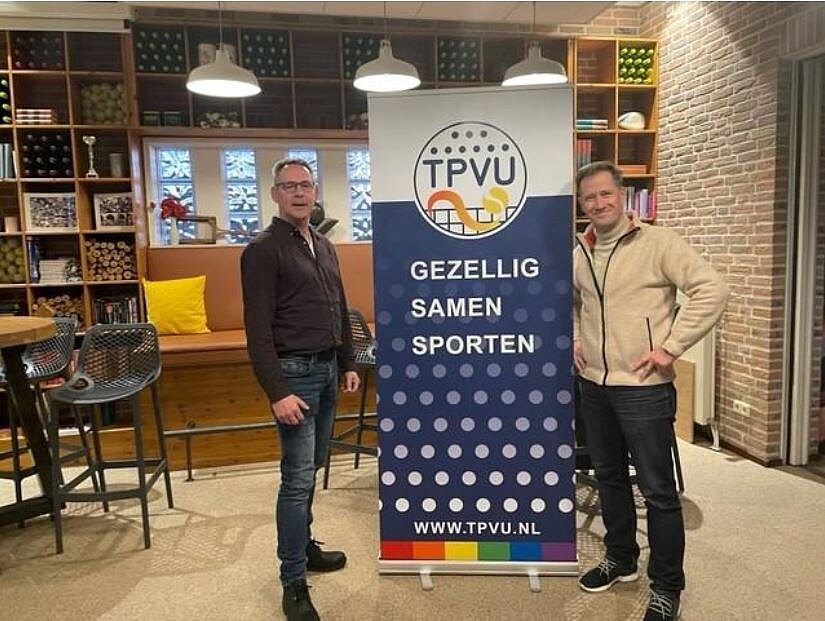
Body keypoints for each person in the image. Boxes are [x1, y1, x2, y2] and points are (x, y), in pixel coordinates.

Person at [572, 161, 728, 621]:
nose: (598, 203)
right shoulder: (580, 251)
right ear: (581, 204)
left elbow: (712, 290)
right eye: (589, 197)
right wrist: (577, 338)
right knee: (609, 477)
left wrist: (671, 347)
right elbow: (575, 302)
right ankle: (621, 558)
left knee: (658, 491)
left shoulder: (659, 243)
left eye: (606, 194)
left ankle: (666, 585)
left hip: (643, 387)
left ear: (622, 195)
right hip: (594, 384)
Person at [241, 157, 360, 621]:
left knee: (312, 467)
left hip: (328, 369)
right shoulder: (262, 250)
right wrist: (276, 391)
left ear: (314, 192)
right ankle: (292, 581)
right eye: (288, 185)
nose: (298, 192)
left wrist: (347, 361)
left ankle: (305, 545)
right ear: (275, 194)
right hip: (294, 375)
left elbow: (339, 306)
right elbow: (257, 329)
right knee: (296, 479)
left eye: (305, 185)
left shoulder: (324, 244)